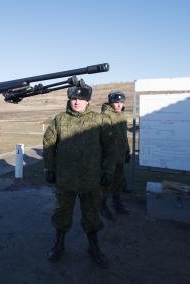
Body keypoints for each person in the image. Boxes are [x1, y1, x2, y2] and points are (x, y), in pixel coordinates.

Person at [43, 83, 115, 268]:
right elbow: (49, 145)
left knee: (92, 216)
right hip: (65, 179)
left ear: (88, 102)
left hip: (91, 180)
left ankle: (94, 247)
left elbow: (109, 148)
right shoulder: (60, 120)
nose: (77, 102)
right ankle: (59, 245)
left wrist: (108, 171)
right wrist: (49, 169)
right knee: (61, 214)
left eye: (81, 99)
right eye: (74, 98)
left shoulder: (100, 120)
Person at [100, 90, 131, 221]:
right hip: (108, 158)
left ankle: (117, 203)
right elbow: (101, 140)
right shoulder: (105, 117)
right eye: (116, 102)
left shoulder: (122, 116)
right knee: (106, 183)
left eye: (121, 102)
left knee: (118, 181)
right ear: (110, 102)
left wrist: (127, 151)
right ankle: (102, 206)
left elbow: (124, 137)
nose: (119, 105)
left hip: (120, 155)